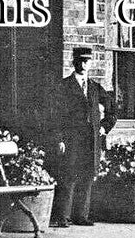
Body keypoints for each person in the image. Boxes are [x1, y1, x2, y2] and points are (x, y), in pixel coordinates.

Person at [49, 46, 116, 227]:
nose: (84, 65)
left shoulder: (95, 88)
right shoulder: (64, 86)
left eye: (87, 61)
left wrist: (103, 128)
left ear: (91, 63)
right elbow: (56, 115)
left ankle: (81, 216)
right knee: (69, 176)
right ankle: (63, 217)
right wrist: (59, 138)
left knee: (87, 177)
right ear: (74, 62)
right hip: (72, 140)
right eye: (80, 61)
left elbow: (112, 110)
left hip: (91, 141)